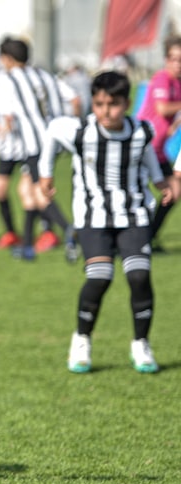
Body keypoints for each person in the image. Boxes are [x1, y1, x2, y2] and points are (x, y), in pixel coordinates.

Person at [39, 71, 172, 374]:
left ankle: (141, 343)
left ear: (126, 103)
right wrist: (46, 173)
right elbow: (51, 130)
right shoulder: (79, 130)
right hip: (92, 217)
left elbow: (147, 152)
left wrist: (158, 181)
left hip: (134, 214)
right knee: (100, 277)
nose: (105, 111)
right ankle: (82, 339)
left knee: (139, 276)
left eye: (112, 104)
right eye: (98, 104)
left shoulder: (140, 130)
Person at [0, 37, 79, 261]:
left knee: (40, 193)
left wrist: (2, 130)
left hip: (33, 144)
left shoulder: (9, 79)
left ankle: (68, 228)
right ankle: (28, 247)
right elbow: (74, 98)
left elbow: (7, 114)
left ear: (8, 59)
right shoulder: (45, 75)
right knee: (25, 190)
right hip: (54, 139)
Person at [136, 36, 181, 251]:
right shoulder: (162, 78)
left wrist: (173, 127)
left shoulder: (178, 83)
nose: (178, 64)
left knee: (174, 190)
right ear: (166, 59)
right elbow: (163, 108)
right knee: (139, 196)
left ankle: (148, 237)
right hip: (144, 147)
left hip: (158, 150)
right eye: (174, 59)